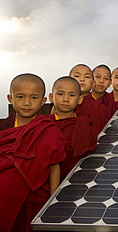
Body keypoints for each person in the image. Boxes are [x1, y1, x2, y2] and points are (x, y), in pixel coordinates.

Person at [0, 73, 66, 232]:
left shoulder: (48, 130)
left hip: (34, 199)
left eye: (34, 98)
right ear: (10, 98)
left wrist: (52, 200)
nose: (27, 103)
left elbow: (54, 167)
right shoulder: (3, 127)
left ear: (43, 101)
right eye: (21, 96)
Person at [47, 76, 96, 180]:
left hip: (76, 180)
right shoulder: (43, 124)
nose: (66, 99)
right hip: (44, 180)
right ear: (51, 97)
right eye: (60, 94)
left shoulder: (84, 125)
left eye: (72, 95)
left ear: (79, 99)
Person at [69, 64, 109, 138]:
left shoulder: (99, 107)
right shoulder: (61, 104)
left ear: (93, 83)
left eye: (87, 77)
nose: (82, 79)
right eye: (77, 76)